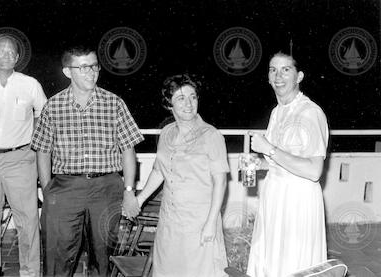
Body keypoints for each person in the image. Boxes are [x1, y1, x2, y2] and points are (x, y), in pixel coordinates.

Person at [30, 45, 143, 276]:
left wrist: (129, 191)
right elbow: (42, 150)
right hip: (65, 188)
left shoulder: (114, 104)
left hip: (106, 187)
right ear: (67, 72)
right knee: (57, 255)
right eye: (83, 68)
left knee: (102, 255)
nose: (91, 72)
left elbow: (128, 149)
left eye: (94, 66)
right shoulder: (53, 106)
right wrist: (48, 188)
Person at [135, 74, 229, 277]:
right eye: (181, 98)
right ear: (169, 104)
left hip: (200, 222)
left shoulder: (211, 135)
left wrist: (211, 223)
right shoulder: (167, 132)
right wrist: (140, 199)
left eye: (193, 97)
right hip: (170, 221)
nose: (189, 104)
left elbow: (220, 181)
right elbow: (159, 170)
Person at [247, 52, 329, 277]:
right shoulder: (276, 112)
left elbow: (314, 170)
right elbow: (280, 161)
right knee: (272, 261)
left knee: (294, 261)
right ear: (268, 78)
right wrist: (259, 162)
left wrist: (269, 149)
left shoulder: (310, 113)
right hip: (274, 197)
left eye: (286, 70)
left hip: (298, 201)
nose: (278, 76)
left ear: (299, 76)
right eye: (273, 70)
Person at [0, 34, 47, 277]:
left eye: (12, 52)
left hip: (21, 159)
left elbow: (43, 114)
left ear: (18, 57)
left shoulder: (30, 84)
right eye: (1, 51)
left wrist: (34, 147)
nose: (6, 55)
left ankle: (30, 273)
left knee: (27, 222)